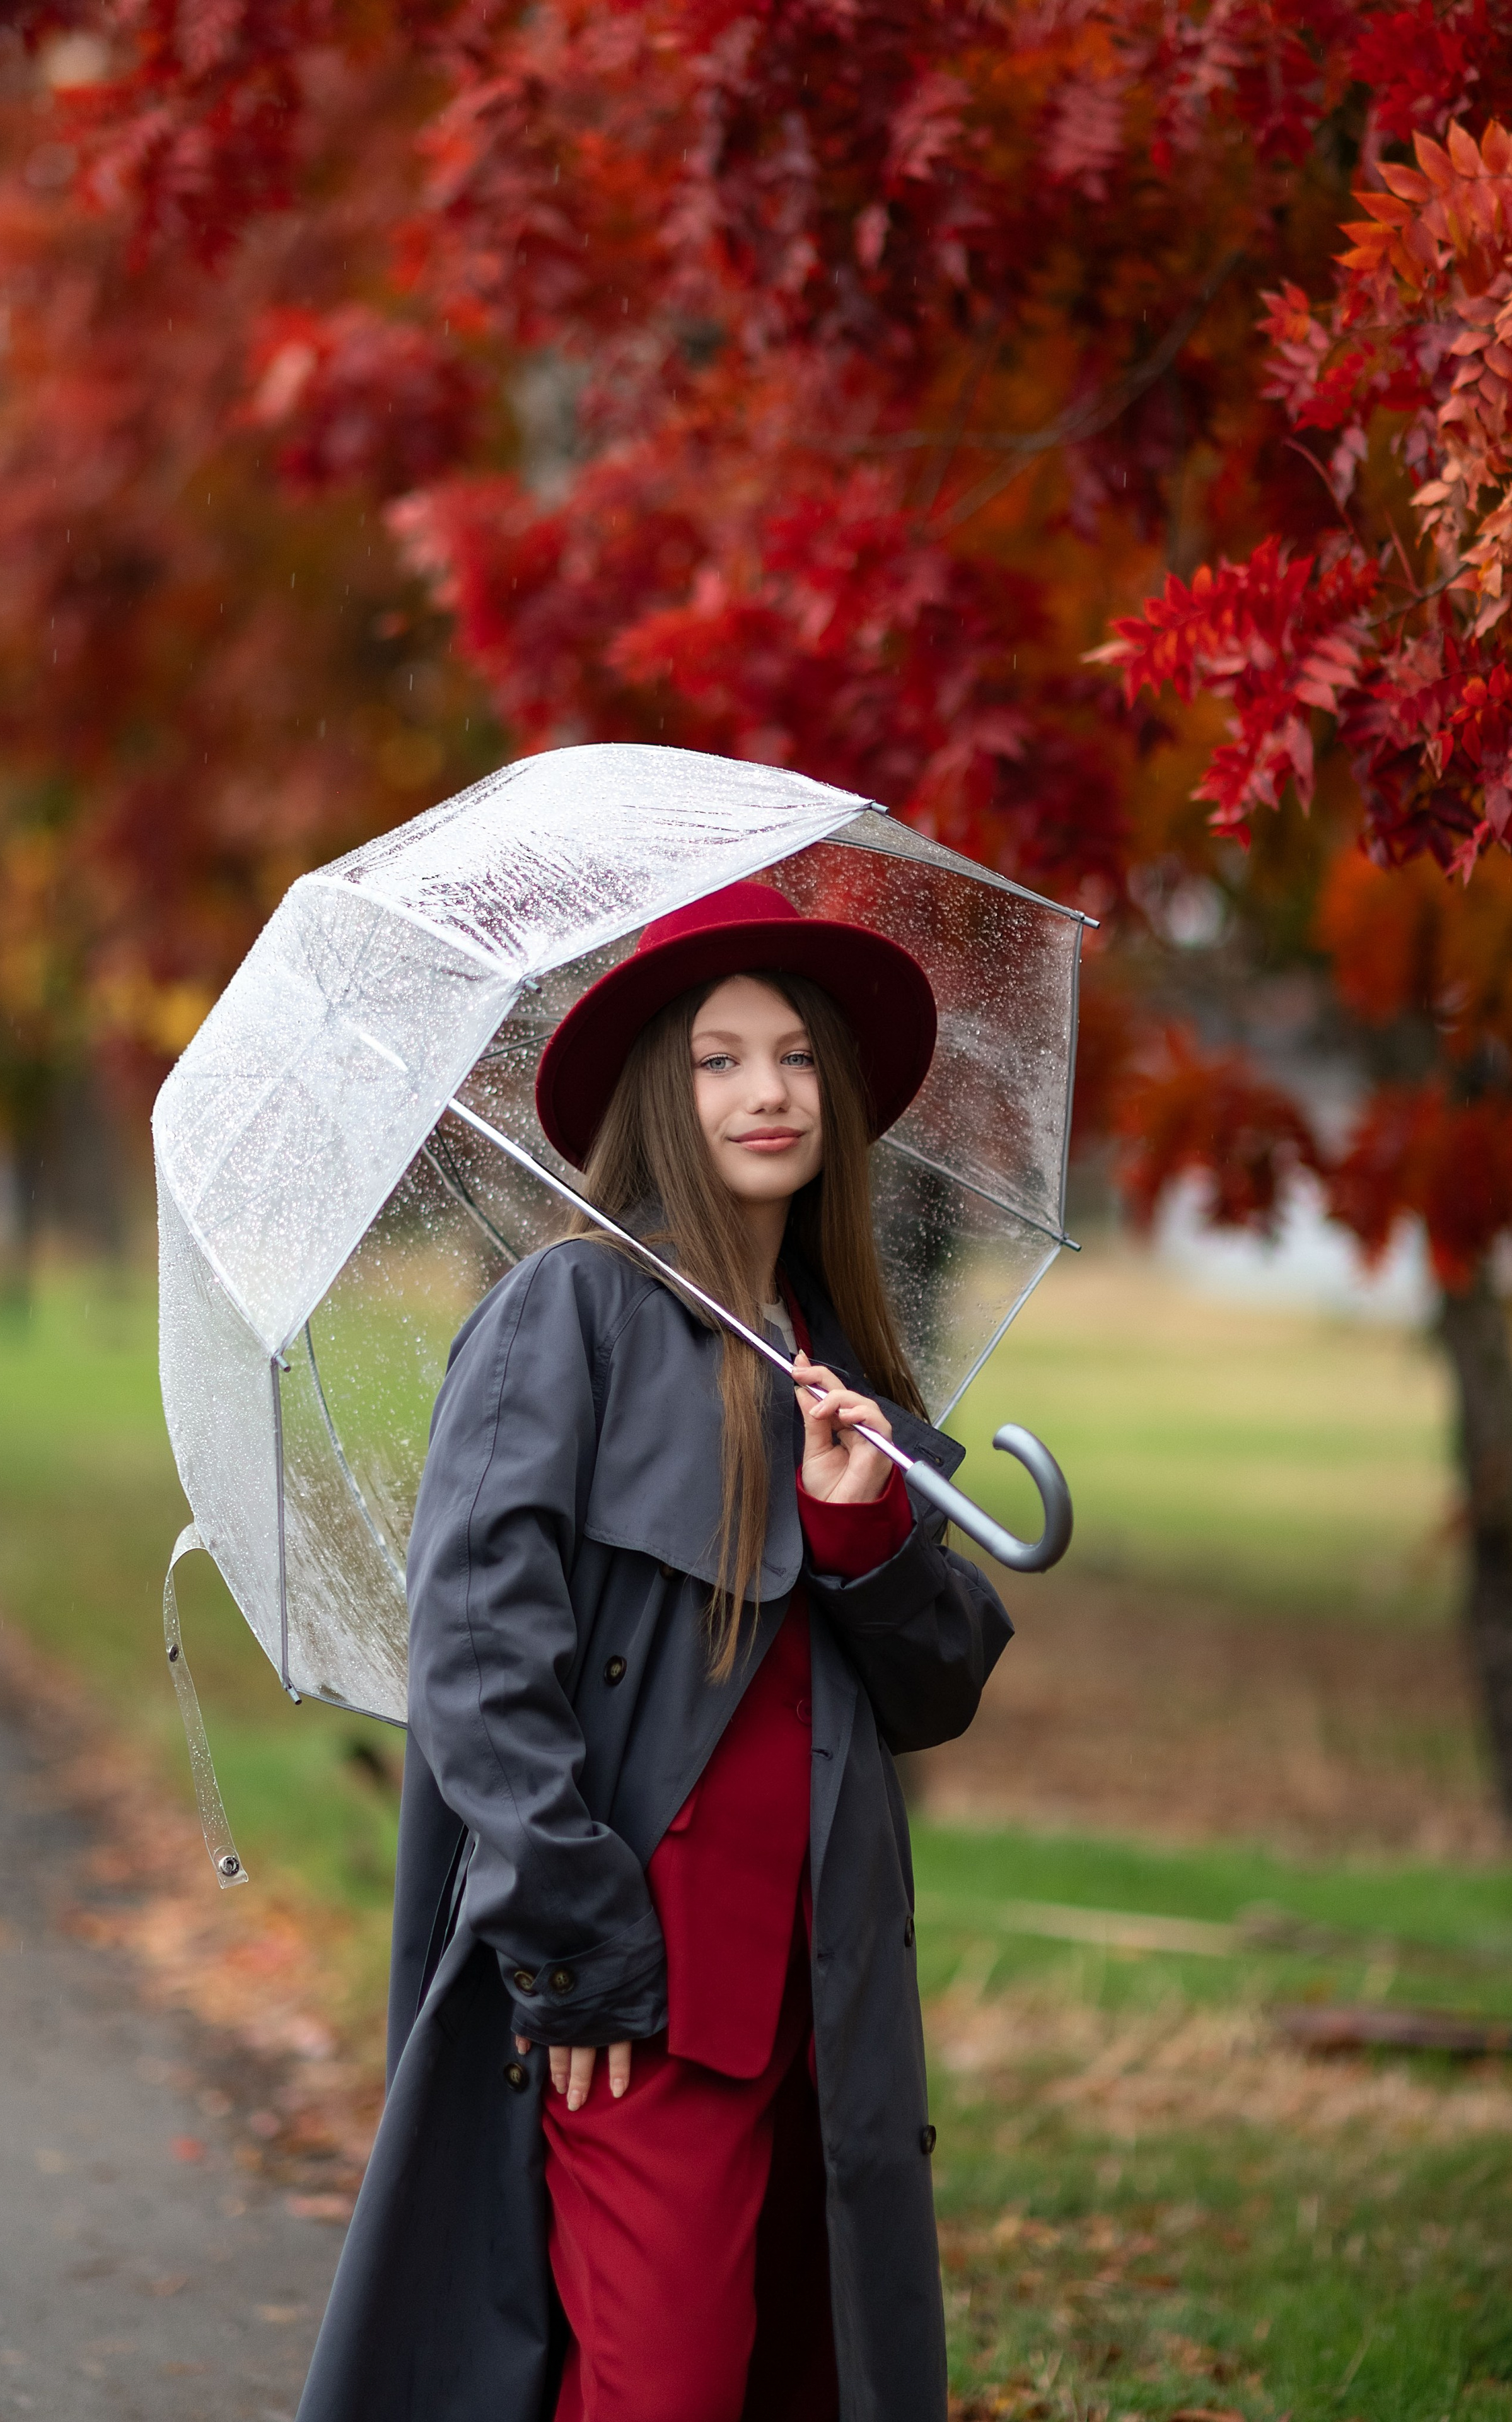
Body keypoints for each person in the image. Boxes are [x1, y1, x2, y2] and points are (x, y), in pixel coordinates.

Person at [295, 880, 1013, 2422]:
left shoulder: (837, 1366)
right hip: (641, 1999)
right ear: (654, 1097)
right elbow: (477, 1657)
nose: (767, 1091)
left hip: (821, 2000)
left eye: (796, 1057)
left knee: (797, 2382)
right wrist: (576, 1947)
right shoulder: (566, 1313)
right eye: (717, 1060)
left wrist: (860, 1529)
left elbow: (935, 1688)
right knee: (657, 2389)